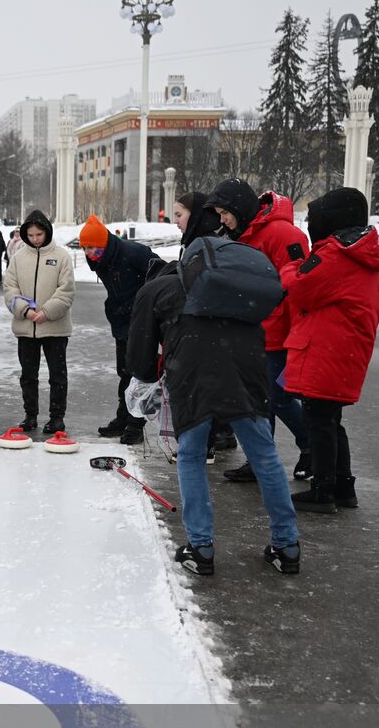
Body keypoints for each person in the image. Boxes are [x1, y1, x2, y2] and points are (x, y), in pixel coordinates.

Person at [126, 235, 301, 578]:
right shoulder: (226, 282)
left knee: (191, 455)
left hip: (194, 375)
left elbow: (139, 360)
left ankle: (201, 548)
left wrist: (151, 375)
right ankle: (287, 546)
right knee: (264, 456)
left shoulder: (154, 291)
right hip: (248, 369)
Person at [280, 188, 379, 514]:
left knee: (319, 418)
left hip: (328, 349)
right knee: (329, 418)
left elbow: (297, 289)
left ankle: (323, 490)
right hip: (343, 349)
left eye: (314, 218)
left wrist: (293, 262)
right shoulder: (355, 251)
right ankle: (342, 486)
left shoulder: (335, 255)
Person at [205, 178, 313, 483]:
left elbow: (296, 287)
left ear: (239, 207)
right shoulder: (245, 235)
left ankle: (309, 446)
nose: (222, 219)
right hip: (253, 331)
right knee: (259, 400)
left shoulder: (282, 234)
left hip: (276, 334)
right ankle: (260, 460)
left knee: (275, 398)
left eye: (224, 212)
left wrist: (292, 335)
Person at [79, 214, 160, 446]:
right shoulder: (100, 260)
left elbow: (161, 274)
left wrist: (145, 306)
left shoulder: (133, 253)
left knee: (144, 374)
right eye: (85, 248)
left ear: (104, 244)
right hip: (122, 322)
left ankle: (137, 424)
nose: (88, 253)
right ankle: (123, 418)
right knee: (125, 372)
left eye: (92, 247)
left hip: (145, 322)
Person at [173, 192, 236, 463]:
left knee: (203, 387)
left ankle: (203, 446)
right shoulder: (197, 241)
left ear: (196, 215)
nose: (175, 221)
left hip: (210, 328)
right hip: (204, 326)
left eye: (179, 215)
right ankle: (214, 437)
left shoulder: (208, 244)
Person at [3, 209, 75, 433]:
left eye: (39, 235)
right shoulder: (18, 257)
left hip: (55, 328)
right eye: (31, 235)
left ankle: (56, 417)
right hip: (26, 328)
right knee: (28, 376)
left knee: (57, 376)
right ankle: (30, 415)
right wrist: (25, 311)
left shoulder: (62, 256)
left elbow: (67, 291)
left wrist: (46, 312)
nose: (35, 239)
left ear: (47, 232)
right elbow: (9, 289)